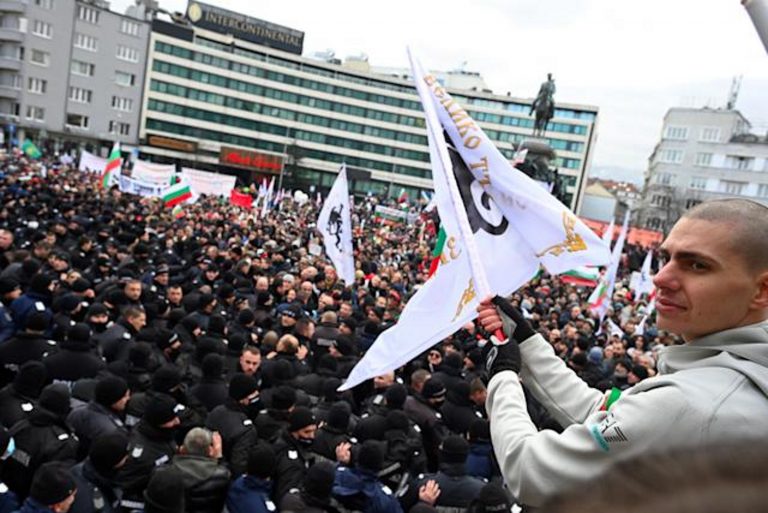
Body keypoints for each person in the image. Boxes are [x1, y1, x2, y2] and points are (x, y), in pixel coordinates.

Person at [476, 199, 768, 507]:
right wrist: (526, 343)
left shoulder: (693, 404)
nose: (661, 278)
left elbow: (530, 469)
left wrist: (502, 376)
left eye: (697, 265)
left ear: (761, 291)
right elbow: (609, 416)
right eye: (665, 258)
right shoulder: (733, 378)